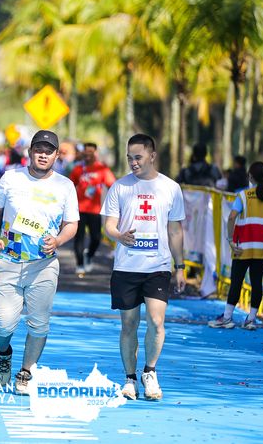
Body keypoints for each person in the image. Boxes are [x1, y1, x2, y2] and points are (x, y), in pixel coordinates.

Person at [0, 130, 79, 395]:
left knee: (39, 323)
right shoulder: (11, 178)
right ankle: (4, 352)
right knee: (3, 324)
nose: (43, 155)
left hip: (43, 265)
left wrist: (58, 240)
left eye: (49, 151)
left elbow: (71, 224)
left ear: (57, 156)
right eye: (39, 150)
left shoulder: (65, 186)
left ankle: (26, 371)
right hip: (8, 260)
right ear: (30, 152)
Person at [101, 133, 186, 401]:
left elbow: (175, 230)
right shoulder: (120, 187)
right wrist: (119, 235)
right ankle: (130, 378)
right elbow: (109, 225)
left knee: (157, 322)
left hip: (157, 267)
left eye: (138, 157)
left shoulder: (170, 188)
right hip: (126, 267)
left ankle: (150, 372)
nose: (133, 162)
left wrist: (180, 266)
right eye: (129, 158)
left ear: (152, 155)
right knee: (129, 324)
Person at [208, 162, 263, 330]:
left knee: (236, 282)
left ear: (250, 176)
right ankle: (251, 320)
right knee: (257, 283)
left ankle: (227, 318)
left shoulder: (243, 196)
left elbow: (231, 217)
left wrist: (230, 239)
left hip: (242, 247)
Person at [69, 143, 116, 275]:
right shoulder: (78, 169)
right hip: (78, 210)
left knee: (96, 238)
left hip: (94, 210)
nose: (88, 154)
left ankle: (89, 255)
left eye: (91, 152)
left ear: (96, 153)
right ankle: (79, 264)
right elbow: (69, 186)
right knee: (79, 238)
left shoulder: (102, 168)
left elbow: (113, 185)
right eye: (86, 152)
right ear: (83, 153)